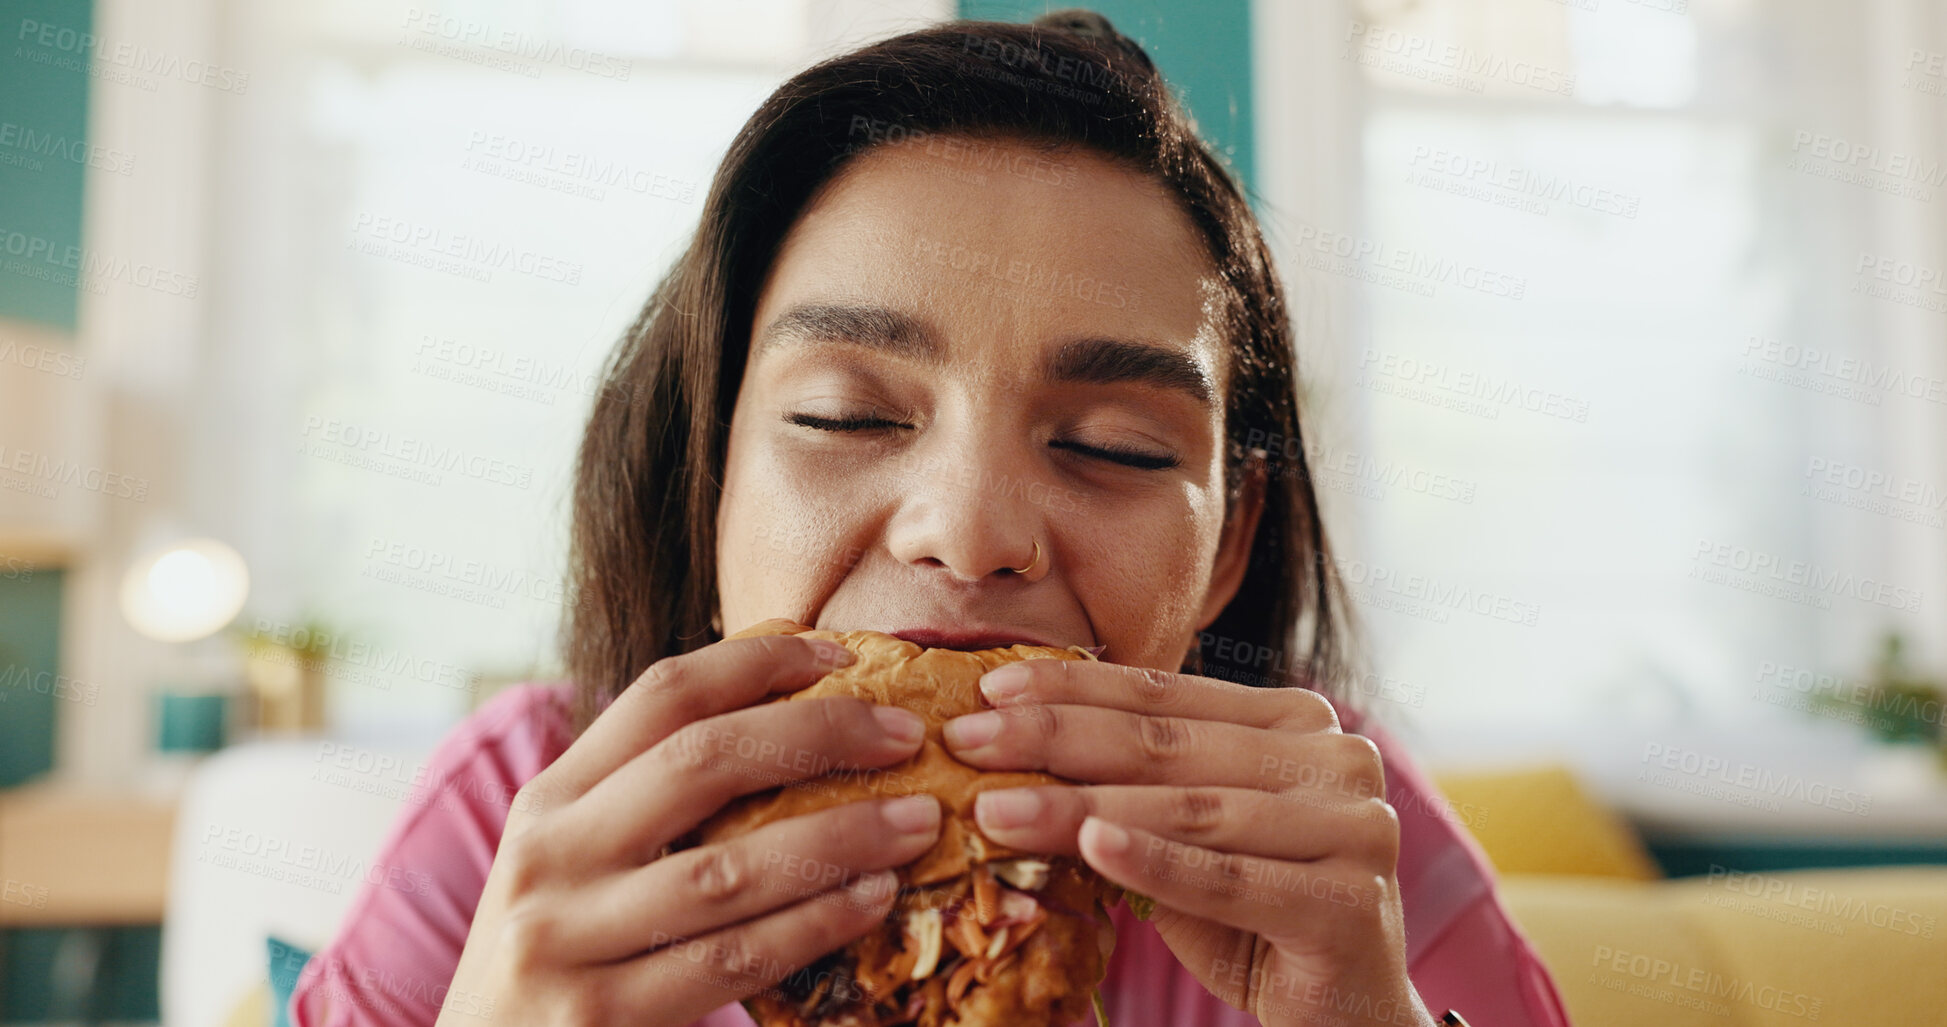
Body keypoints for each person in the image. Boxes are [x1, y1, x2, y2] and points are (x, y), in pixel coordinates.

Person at [291, 10, 1571, 1027]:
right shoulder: (517, 821)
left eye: (1113, 445)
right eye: (848, 416)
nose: (969, 533)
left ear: (1229, 543)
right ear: (710, 479)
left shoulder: (1331, 850)